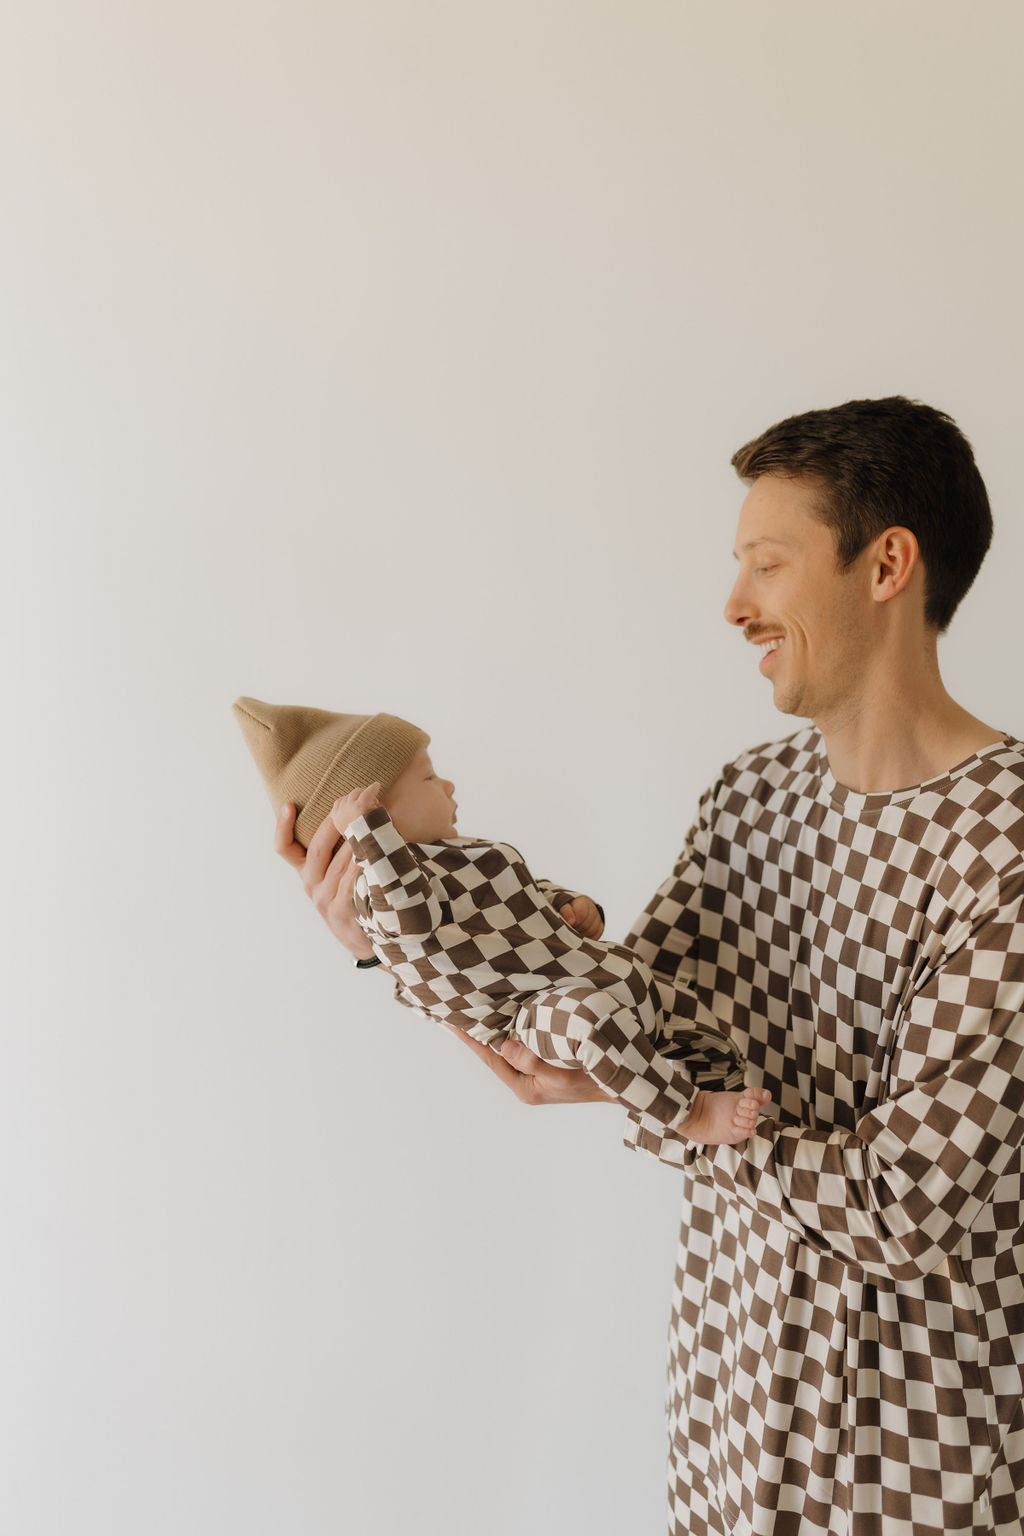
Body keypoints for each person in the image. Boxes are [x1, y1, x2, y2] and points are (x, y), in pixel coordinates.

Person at [274, 396, 1024, 1535]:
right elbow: (615, 1023)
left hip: (914, 1470)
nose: (733, 606)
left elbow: (896, 1206)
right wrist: (394, 936)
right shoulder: (749, 800)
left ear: (887, 565)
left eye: (766, 566)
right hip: (724, 1440)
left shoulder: (1005, 837)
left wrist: (672, 1111)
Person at [234, 695, 769, 1145]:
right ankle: (691, 1113)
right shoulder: (386, 893)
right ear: (374, 820)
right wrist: (371, 839)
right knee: (590, 1021)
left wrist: (574, 907)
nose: (449, 788)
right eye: (429, 777)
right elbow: (414, 922)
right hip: (530, 1011)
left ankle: (722, 1078)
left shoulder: (465, 855)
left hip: (588, 969)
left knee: (676, 1004)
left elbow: (522, 893)